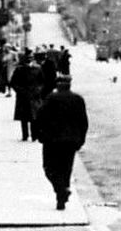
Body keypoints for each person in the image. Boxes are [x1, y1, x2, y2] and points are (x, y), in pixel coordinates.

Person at [35, 75, 88, 210]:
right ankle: (61, 195)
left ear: (57, 85)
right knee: (66, 169)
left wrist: (38, 135)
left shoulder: (50, 99)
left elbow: (39, 117)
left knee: (49, 168)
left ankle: (60, 191)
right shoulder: (78, 99)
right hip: (70, 141)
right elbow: (83, 122)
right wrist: (81, 140)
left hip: (52, 141)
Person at [9, 55, 40, 141]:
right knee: (24, 117)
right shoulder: (19, 70)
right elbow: (13, 82)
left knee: (34, 117)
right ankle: (25, 135)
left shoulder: (37, 70)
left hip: (33, 96)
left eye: (31, 60)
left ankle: (34, 135)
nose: (29, 62)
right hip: (23, 96)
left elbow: (42, 82)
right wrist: (20, 90)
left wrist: (38, 90)